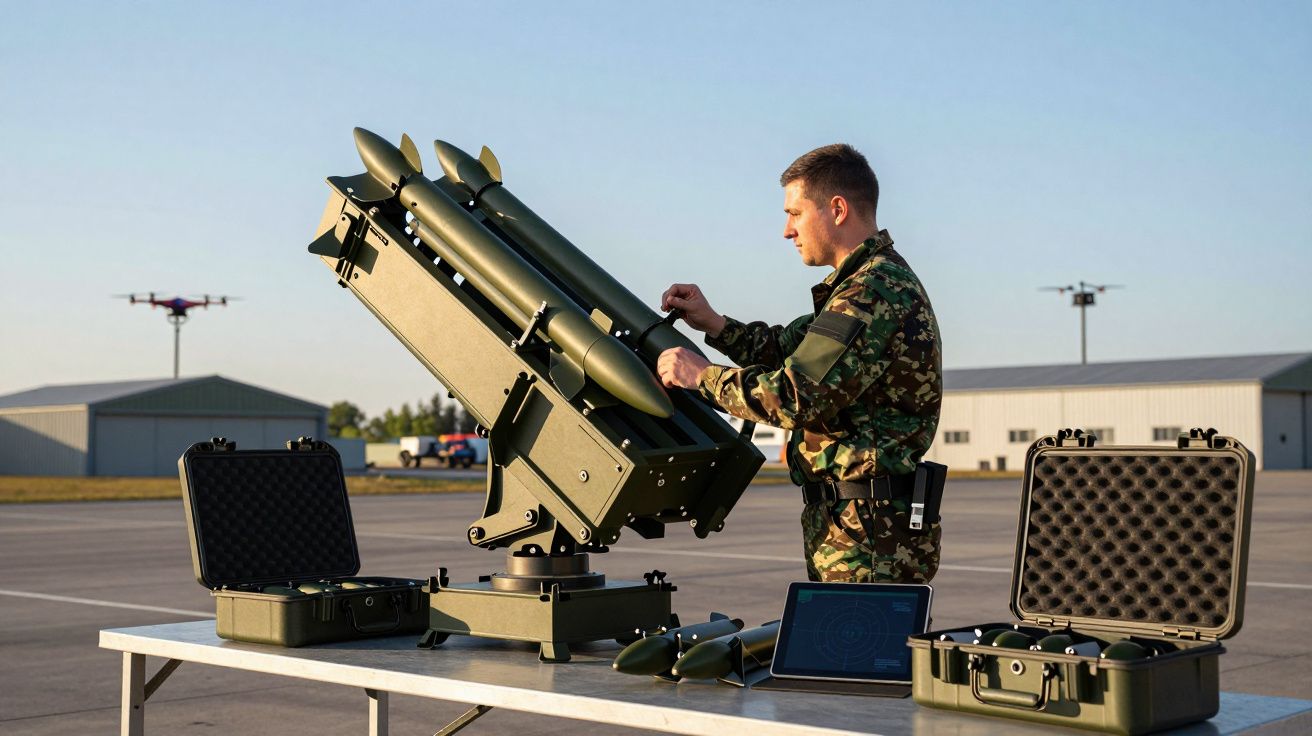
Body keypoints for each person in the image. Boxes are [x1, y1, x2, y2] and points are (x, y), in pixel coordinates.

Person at [655, 144, 943, 584]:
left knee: (857, 653)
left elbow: (796, 395)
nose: (787, 230)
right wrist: (713, 324)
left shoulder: (871, 294)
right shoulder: (866, 286)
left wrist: (702, 377)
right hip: (859, 527)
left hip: (867, 541)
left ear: (838, 209)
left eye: (795, 213)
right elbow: (788, 349)